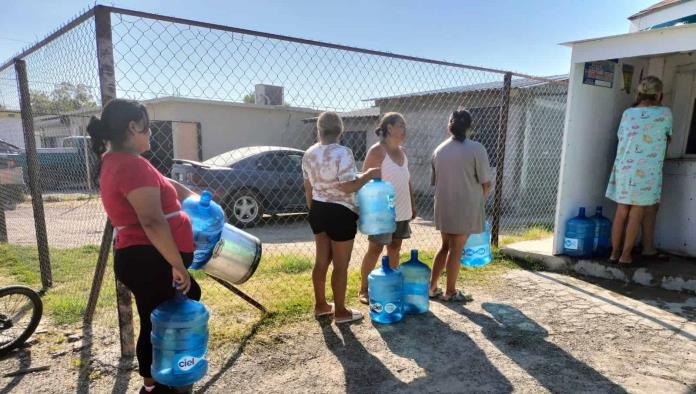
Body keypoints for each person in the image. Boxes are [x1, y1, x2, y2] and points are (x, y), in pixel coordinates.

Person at [87, 99, 201, 394]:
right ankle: (156, 385)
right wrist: (177, 264)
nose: (151, 134)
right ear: (133, 126)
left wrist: (197, 200)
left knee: (167, 309)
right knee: (156, 320)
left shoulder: (124, 162)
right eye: (148, 127)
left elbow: (167, 185)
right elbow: (151, 221)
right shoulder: (130, 166)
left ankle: (165, 375)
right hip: (149, 258)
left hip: (143, 257)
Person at [302, 112, 380, 323]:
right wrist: (368, 176)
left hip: (318, 209)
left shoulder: (309, 153)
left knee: (321, 261)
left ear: (318, 130)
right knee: (340, 265)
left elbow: (308, 186)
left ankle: (320, 306)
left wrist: (313, 211)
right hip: (340, 211)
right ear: (340, 130)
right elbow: (347, 186)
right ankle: (341, 312)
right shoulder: (343, 152)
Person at [606, 76, 672, 265]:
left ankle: (614, 253)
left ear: (640, 93)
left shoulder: (628, 113)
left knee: (621, 210)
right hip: (647, 168)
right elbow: (668, 139)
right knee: (637, 210)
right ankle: (626, 256)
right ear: (659, 94)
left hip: (623, 166)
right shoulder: (665, 113)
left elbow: (621, 137)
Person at [429, 109, 492, 302]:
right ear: (470, 126)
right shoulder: (477, 148)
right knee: (457, 249)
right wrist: (477, 201)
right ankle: (450, 292)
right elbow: (486, 183)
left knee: (445, 246)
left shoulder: (439, 150)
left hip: (443, 205)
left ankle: (431, 288)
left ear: (449, 126)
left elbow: (435, 181)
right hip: (466, 207)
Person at [358, 112, 416, 305]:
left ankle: (392, 285)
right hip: (382, 212)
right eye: (401, 125)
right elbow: (366, 184)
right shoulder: (377, 151)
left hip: (402, 209)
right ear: (389, 128)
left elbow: (407, 181)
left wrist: (412, 205)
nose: (404, 129)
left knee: (395, 248)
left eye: (405, 126)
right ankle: (364, 289)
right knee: (375, 249)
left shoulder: (403, 152)